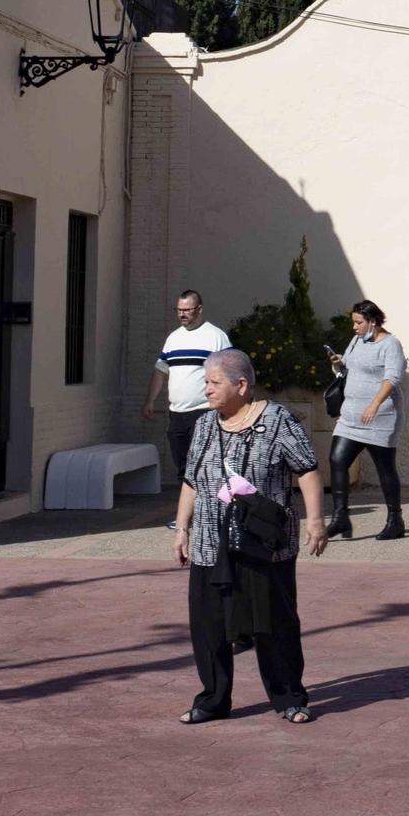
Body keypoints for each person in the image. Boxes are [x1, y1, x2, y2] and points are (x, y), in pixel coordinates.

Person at [172, 348, 328, 724]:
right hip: (212, 544)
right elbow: (192, 479)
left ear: (242, 385)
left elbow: (306, 470)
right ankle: (213, 700)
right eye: (205, 382)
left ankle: (290, 696)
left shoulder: (276, 420)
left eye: (214, 382)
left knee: (273, 623)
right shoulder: (205, 425)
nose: (206, 390)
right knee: (209, 625)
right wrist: (182, 527)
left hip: (263, 543)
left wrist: (316, 520)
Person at [142, 290, 232, 529]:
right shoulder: (173, 338)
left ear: (199, 309)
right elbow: (162, 370)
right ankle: (189, 515)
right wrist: (150, 400)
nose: (182, 314)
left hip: (205, 411)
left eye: (187, 310)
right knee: (184, 467)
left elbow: (230, 371)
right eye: (179, 310)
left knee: (203, 463)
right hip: (177, 413)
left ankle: (210, 514)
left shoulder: (215, 337)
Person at [326, 300, 407, 540]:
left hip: (380, 417)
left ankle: (395, 520)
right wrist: (338, 363)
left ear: (373, 322)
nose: (354, 327)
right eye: (354, 322)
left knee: (385, 469)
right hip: (350, 416)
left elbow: (392, 378)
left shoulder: (391, 344)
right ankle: (340, 517)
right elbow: (349, 369)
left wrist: (374, 404)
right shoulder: (356, 341)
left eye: (358, 322)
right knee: (337, 459)